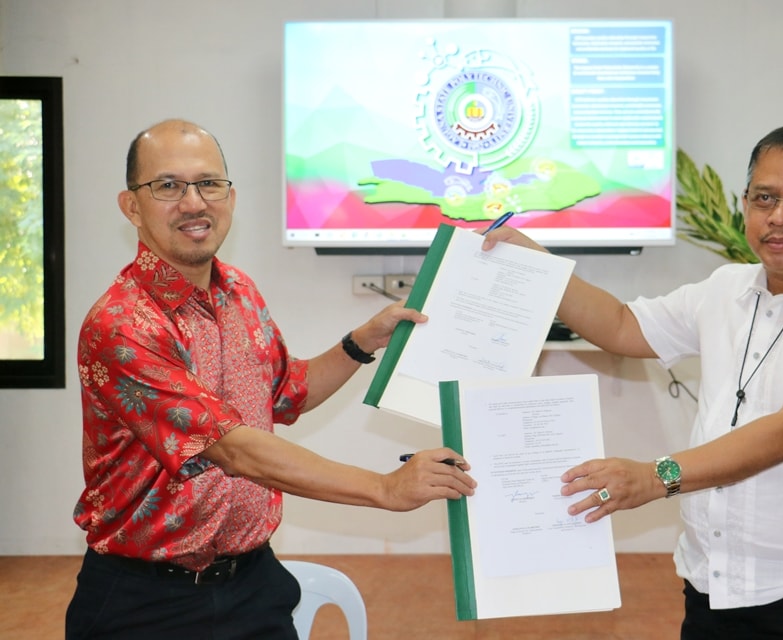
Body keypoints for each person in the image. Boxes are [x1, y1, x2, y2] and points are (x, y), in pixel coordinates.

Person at [483, 125, 783, 639]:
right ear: (745, 203)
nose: (779, 216)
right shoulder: (726, 289)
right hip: (713, 584)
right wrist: (540, 270)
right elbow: (622, 325)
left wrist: (654, 476)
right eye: (764, 197)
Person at [65, 119, 476, 639]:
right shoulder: (122, 324)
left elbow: (287, 393)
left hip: (253, 587)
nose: (193, 202)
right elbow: (235, 449)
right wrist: (384, 488)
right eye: (168, 186)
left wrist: (362, 341)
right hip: (145, 603)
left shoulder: (239, 291)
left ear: (230, 197)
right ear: (132, 206)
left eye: (209, 183)